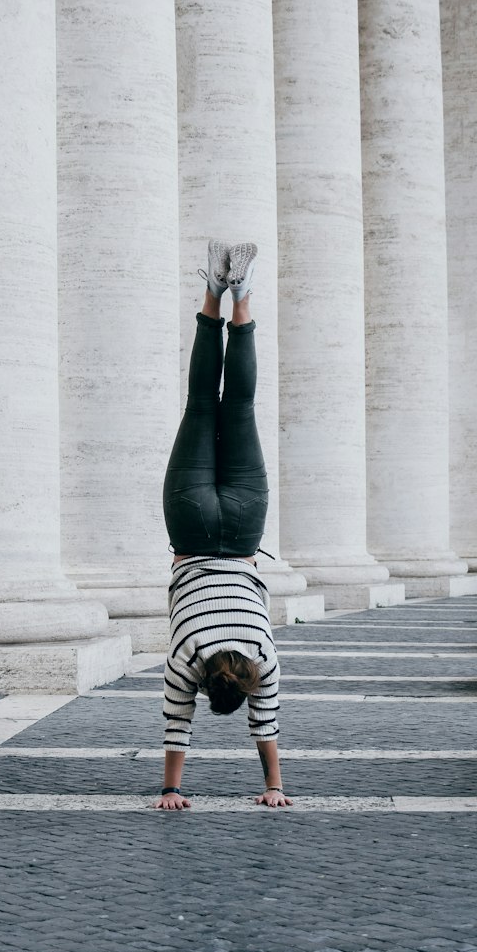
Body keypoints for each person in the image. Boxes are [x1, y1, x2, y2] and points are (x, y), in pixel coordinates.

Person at [154, 241, 292, 812]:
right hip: (189, 530)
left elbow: (269, 729)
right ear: (208, 687)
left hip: (240, 531)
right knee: (199, 406)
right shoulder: (187, 655)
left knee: (239, 406)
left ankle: (243, 292)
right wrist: (170, 789)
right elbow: (174, 727)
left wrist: (275, 788)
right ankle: (213, 287)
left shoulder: (262, 655)